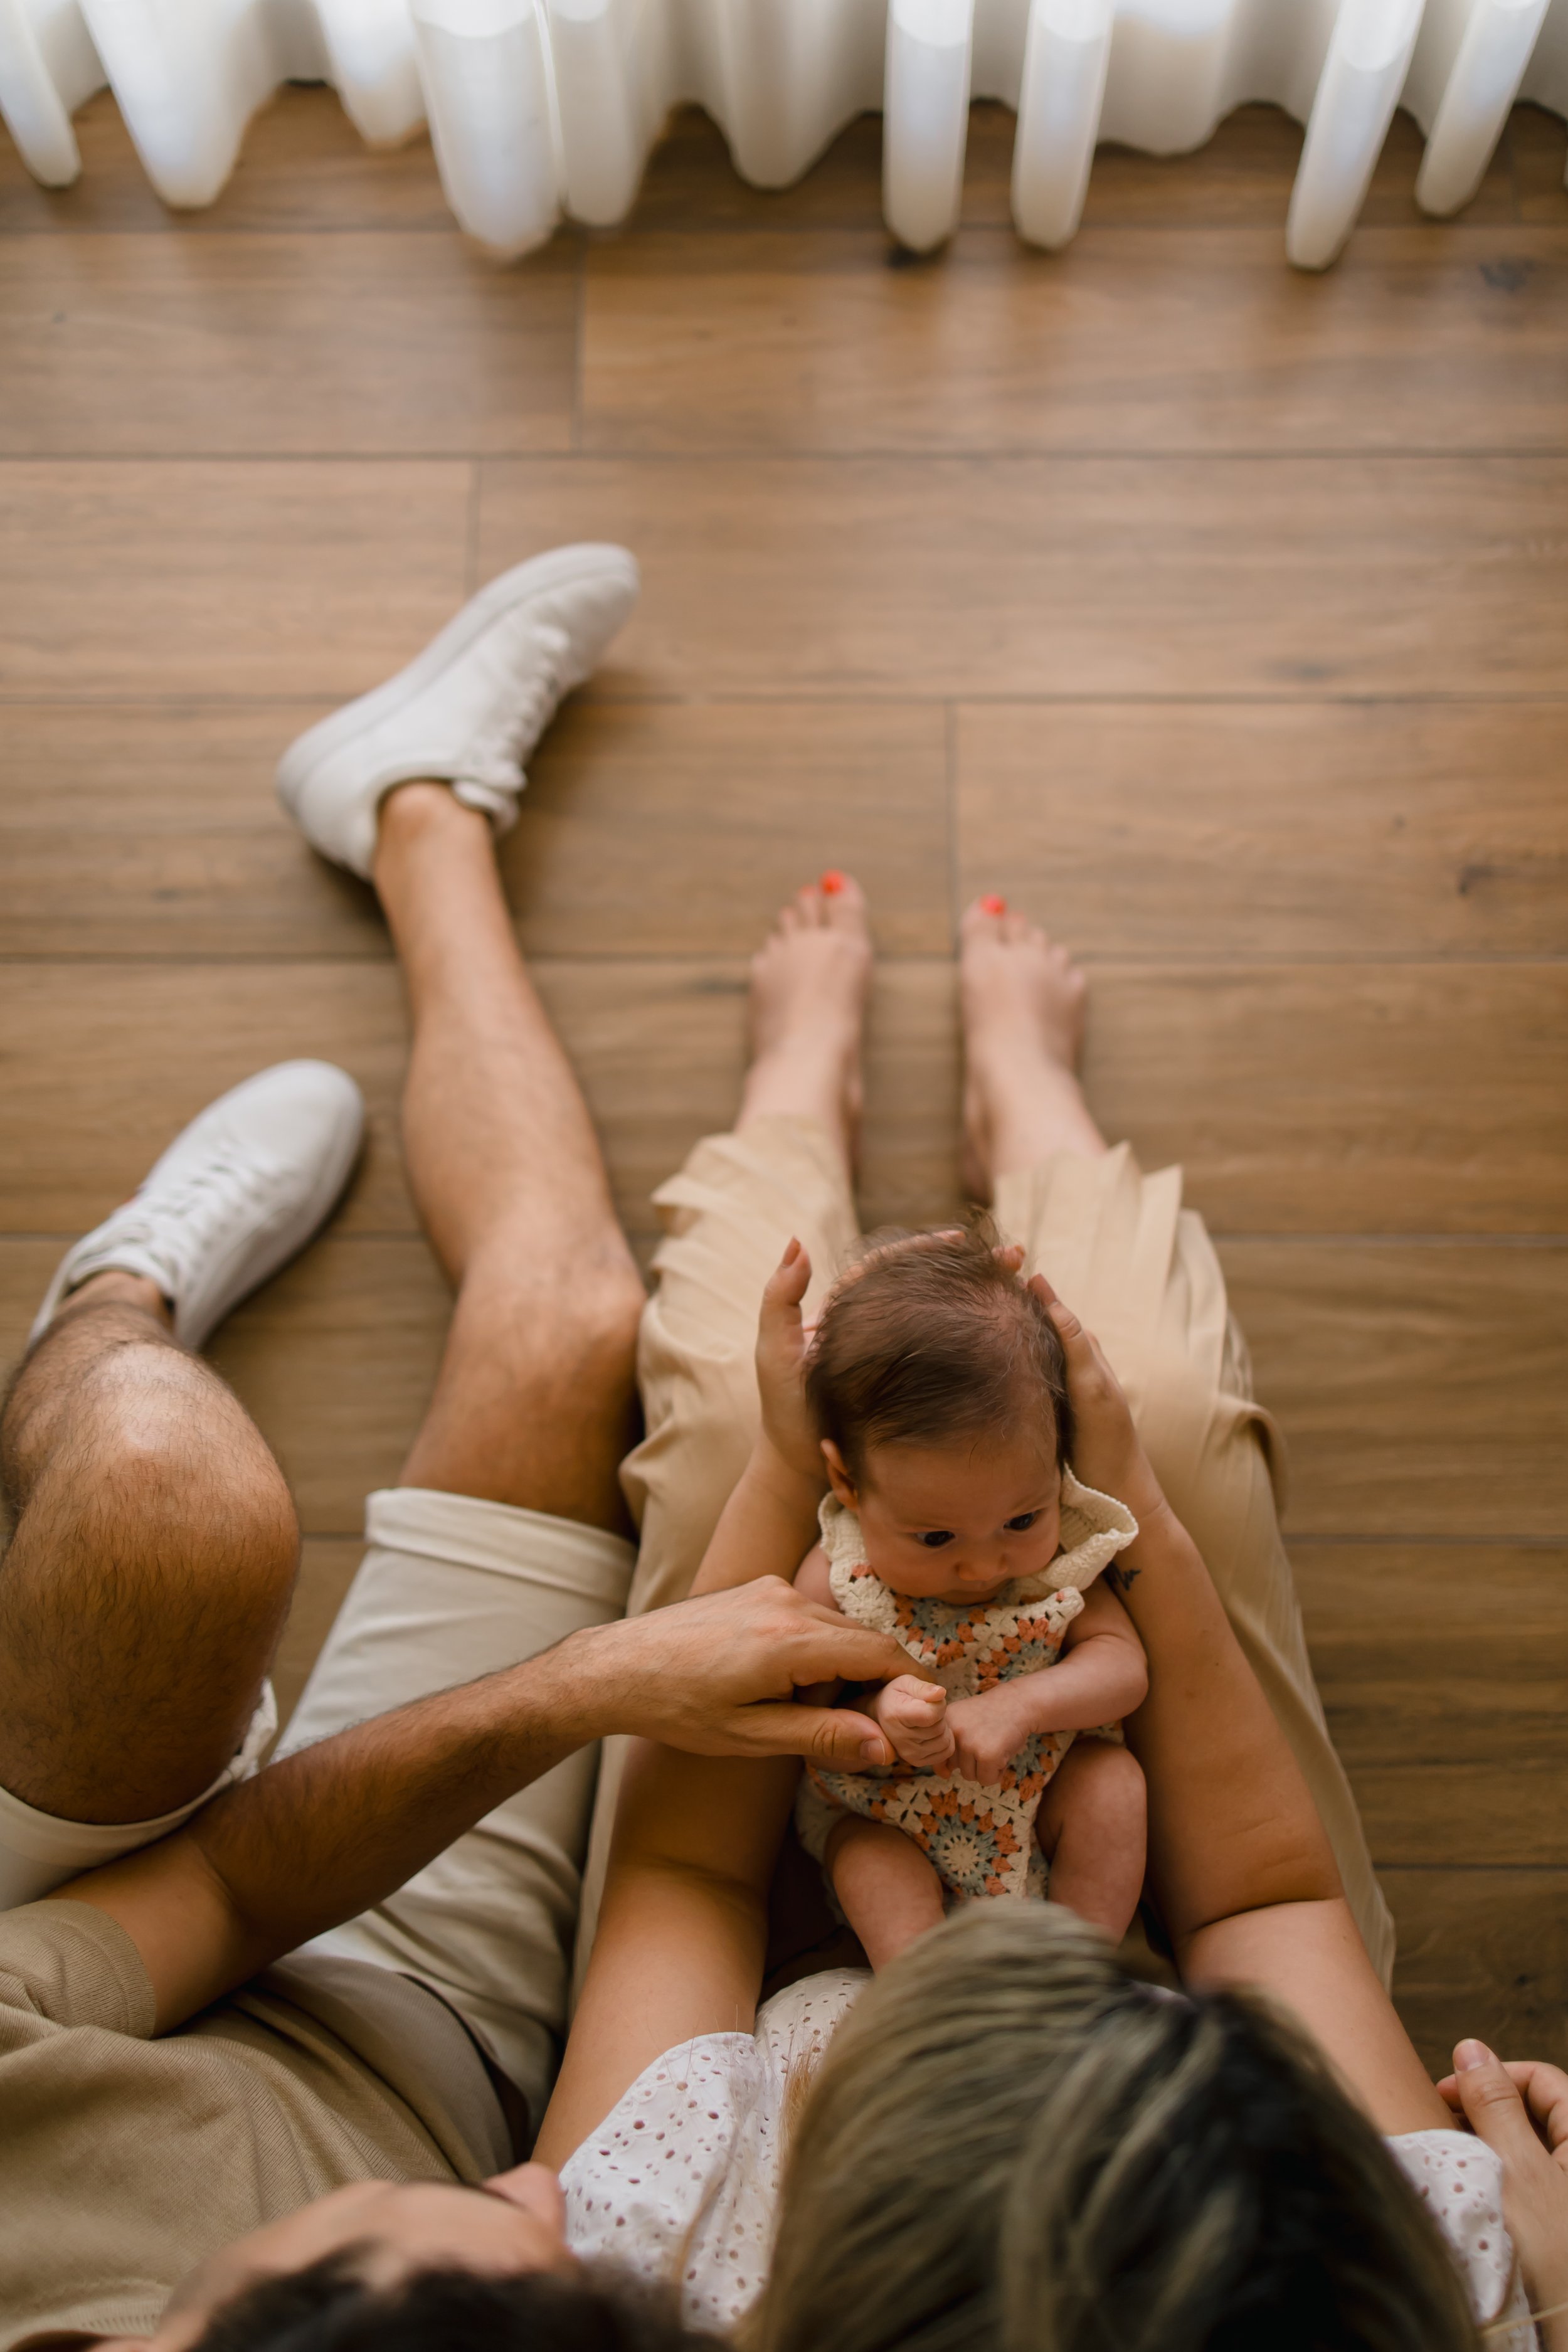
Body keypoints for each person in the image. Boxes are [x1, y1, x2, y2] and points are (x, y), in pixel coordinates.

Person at [1, 552, 1563, 2350]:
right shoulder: (1399, 2268)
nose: (513, 2190)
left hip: (550, 1925)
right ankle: (1031, 1116)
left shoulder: (638, 2241)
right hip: (1028, 1865)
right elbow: (1273, 1895)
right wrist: (1111, 1473)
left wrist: (783, 1457)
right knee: (1163, 1411)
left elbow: (682, 1873)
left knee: (724, 1346)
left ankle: (786, 1110)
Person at [0, 548, 915, 2351]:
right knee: (570, 1324)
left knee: (157, 1507)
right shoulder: (486, 2183)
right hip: (405, 2034)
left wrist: (595, 1679)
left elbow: (235, 1878)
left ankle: (101, 1302)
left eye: (488, 2228)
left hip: (73, 1946)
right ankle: (414, 807)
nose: (549, 2186)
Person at [704, 1224, 1151, 1960]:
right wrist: (879, 1719)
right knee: (865, 1855)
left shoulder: (1053, 1565)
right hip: (890, 1819)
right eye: (936, 1538)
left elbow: (1123, 1667)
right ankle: (924, 1986)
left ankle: (1075, 1975)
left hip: (1042, 1807)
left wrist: (1023, 1704)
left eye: (1020, 1517)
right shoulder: (841, 1578)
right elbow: (799, 1722)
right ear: (848, 1484)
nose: (983, 1566)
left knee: (1113, 1786)